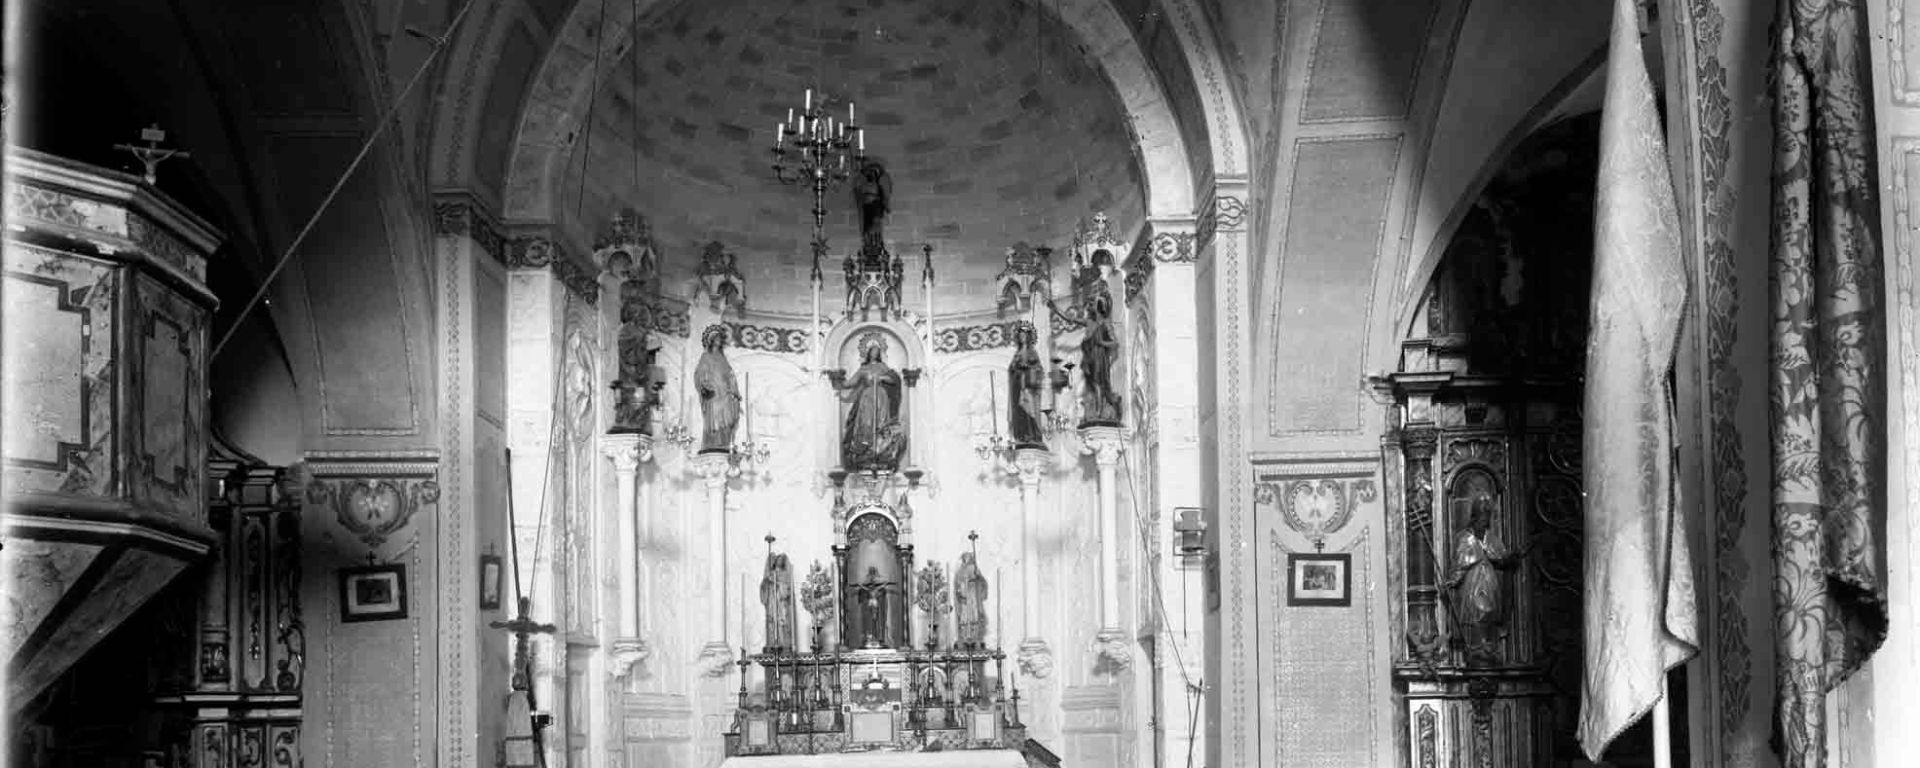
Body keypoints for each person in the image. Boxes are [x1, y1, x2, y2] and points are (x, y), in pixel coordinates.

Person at [1445, 497, 1524, 664]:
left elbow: (1501, 558)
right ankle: (1475, 649)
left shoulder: (1491, 538)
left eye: (1486, 517)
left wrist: (1510, 558)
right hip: (1471, 586)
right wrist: (1452, 581)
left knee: (1490, 613)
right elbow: (1459, 565)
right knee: (1474, 615)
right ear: (1474, 517)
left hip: (1490, 584)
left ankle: (1489, 648)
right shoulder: (1464, 539)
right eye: (1481, 516)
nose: (1484, 520)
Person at [836, 333, 905, 470]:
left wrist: (882, 379)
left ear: (879, 353)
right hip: (867, 398)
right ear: (868, 353)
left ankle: (879, 449)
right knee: (866, 423)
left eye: (877, 351)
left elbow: (894, 380)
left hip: (881, 396)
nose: (874, 353)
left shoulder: (883, 368)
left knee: (880, 423)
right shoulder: (863, 369)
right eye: (872, 351)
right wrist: (839, 383)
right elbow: (851, 383)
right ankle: (866, 449)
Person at [693, 325, 741, 452]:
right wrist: (704, 386)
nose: (719, 340)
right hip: (713, 394)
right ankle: (713, 443)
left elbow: (730, 376)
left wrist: (734, 392)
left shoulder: (723, 359)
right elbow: (699, 375)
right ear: (711, 340)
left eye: (721, 338)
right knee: (715, 419)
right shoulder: (706, 357)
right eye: (717, 338)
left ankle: (725, 442)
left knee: (727, 418)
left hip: (725, 393)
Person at [1079, 293, 1122, 424]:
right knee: (1092, 384)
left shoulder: (1105, 323)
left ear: (1098, 306)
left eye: (1091, 304)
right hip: (1090, 359)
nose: (1088, 307)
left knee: (1098, 384)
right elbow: (1070, 320)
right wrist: (1055, 310)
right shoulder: (1090, 323)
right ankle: (1095, 409)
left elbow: (1115, 343)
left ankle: (1099, 411)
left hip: (1100, 357)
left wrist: (1103, 343)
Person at [1007, 324, 1047, 446]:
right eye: (1020, 336)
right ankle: (1022, 435)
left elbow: (1039, 369)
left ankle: (1032, 434)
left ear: (1029, 337)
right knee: (1020, 410)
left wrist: (1029, 368)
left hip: (1029, 387)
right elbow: (1011, 370)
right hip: (1018, 387)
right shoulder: (1017, 354)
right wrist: (1015, 368)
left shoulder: (1032, 352)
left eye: (1024, 336)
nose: (1022, 338)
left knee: (1029, 409)